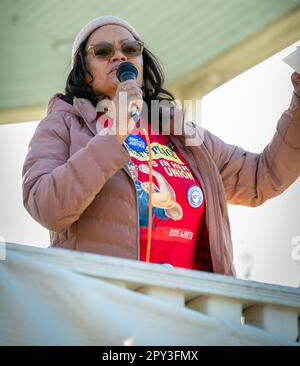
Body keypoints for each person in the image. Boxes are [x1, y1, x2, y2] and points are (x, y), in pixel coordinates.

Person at [22, 15, 300, 276]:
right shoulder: (63, 125)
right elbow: (46, 207)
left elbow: (262, 178)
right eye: (103, 51)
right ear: (84, 72)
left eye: (130, 49)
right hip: (103, 311)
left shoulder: (181, 134)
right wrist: (114, 133)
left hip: (189, 312)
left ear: (141, 62)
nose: (119, 56)